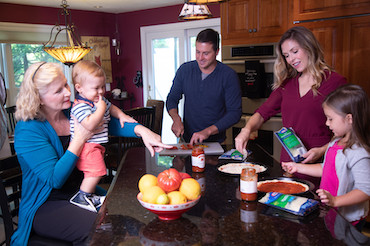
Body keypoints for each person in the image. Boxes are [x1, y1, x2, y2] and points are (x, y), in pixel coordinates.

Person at [12, 62, 170, 245]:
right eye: (58, 91)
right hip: (46, 204)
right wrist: (79, 138)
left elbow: (107, 123)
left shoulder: (71, 109)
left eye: (65, 84)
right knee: (101, 230)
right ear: (38, 98)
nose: (68, 92)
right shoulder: (28, 130)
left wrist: (142, 131)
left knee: (129, 207)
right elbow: (55, 180)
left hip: (81, 191)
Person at [235, 26, 347, 163]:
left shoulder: (335, 82)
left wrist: (323, 150)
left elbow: (349, 130)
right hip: (289, 162)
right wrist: (246, 130)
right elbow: (262, 113)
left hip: (322, 161)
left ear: (309, 47)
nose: (291, 59)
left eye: (295, 51)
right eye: (286, 55)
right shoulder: (286, 85)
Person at [282, 84, 370, 228]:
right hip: (331, 214)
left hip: (349, 221)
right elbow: (326, 169)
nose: (326, 123)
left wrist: (335, 201)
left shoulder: (359, 153)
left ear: (349, 119)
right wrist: (297, 167)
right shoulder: (334, 143)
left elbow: (365, 190)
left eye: (330, 119)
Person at [69, 60, 137, 212]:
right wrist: (101, 109)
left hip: (96, 146)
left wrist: (122, 116)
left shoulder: (98, 101)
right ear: (79, 88)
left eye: (102, 87)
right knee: (97, 171)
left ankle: (89, 194)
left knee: (95, 172)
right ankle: (83, 196)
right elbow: (90, 125)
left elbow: (111, 107)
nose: (101, 91)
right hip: (86, 147)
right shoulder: (80, 106)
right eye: (95, 88)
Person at [166, 28, 242, 145]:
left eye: (206, 53)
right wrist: (176, 119)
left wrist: (207, 131)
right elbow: (172, 98)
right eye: (197, 52)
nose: (200, 58)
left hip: (217, 143)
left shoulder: (228, 75)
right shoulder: (184, 70)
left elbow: (235, 113)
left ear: (217, 51)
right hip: (187, 141)